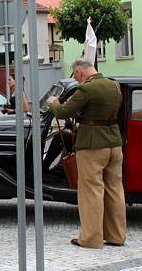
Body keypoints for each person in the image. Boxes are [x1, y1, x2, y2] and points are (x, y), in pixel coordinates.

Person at [47, 58, 126, 249]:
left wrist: (53, 102)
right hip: (114, 144)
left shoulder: (87, 89)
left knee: (91, 191)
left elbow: (64, 112)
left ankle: (91, 239)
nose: (76, 78)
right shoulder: (113, 85)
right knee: (115, 189)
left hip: (92, 146)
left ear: (80, 72)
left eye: (75, 75)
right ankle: (116, 236)